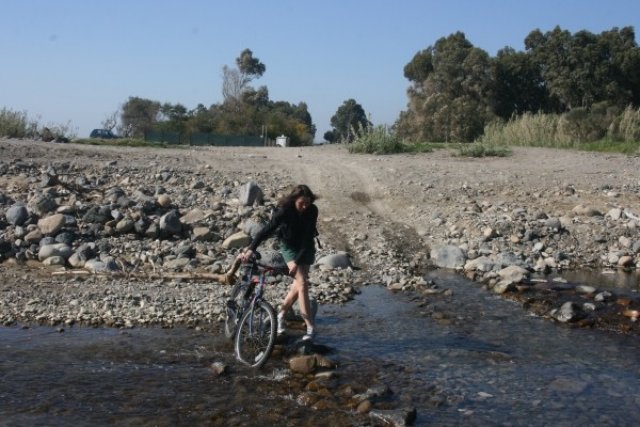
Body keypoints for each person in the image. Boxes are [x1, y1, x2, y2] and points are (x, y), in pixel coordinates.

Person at [241, 184, 319, 341]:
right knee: (303, 283)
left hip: (306, 246)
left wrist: (297, 261)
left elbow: (307, 237)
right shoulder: (284, 210)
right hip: (289, 246)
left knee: (298, 285)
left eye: (307, 203)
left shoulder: (312, 210)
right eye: (301, 203)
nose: (304, 206)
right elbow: (267, 230)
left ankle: (281, 314)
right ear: (294, 200)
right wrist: (251, 248)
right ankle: (310, 327)